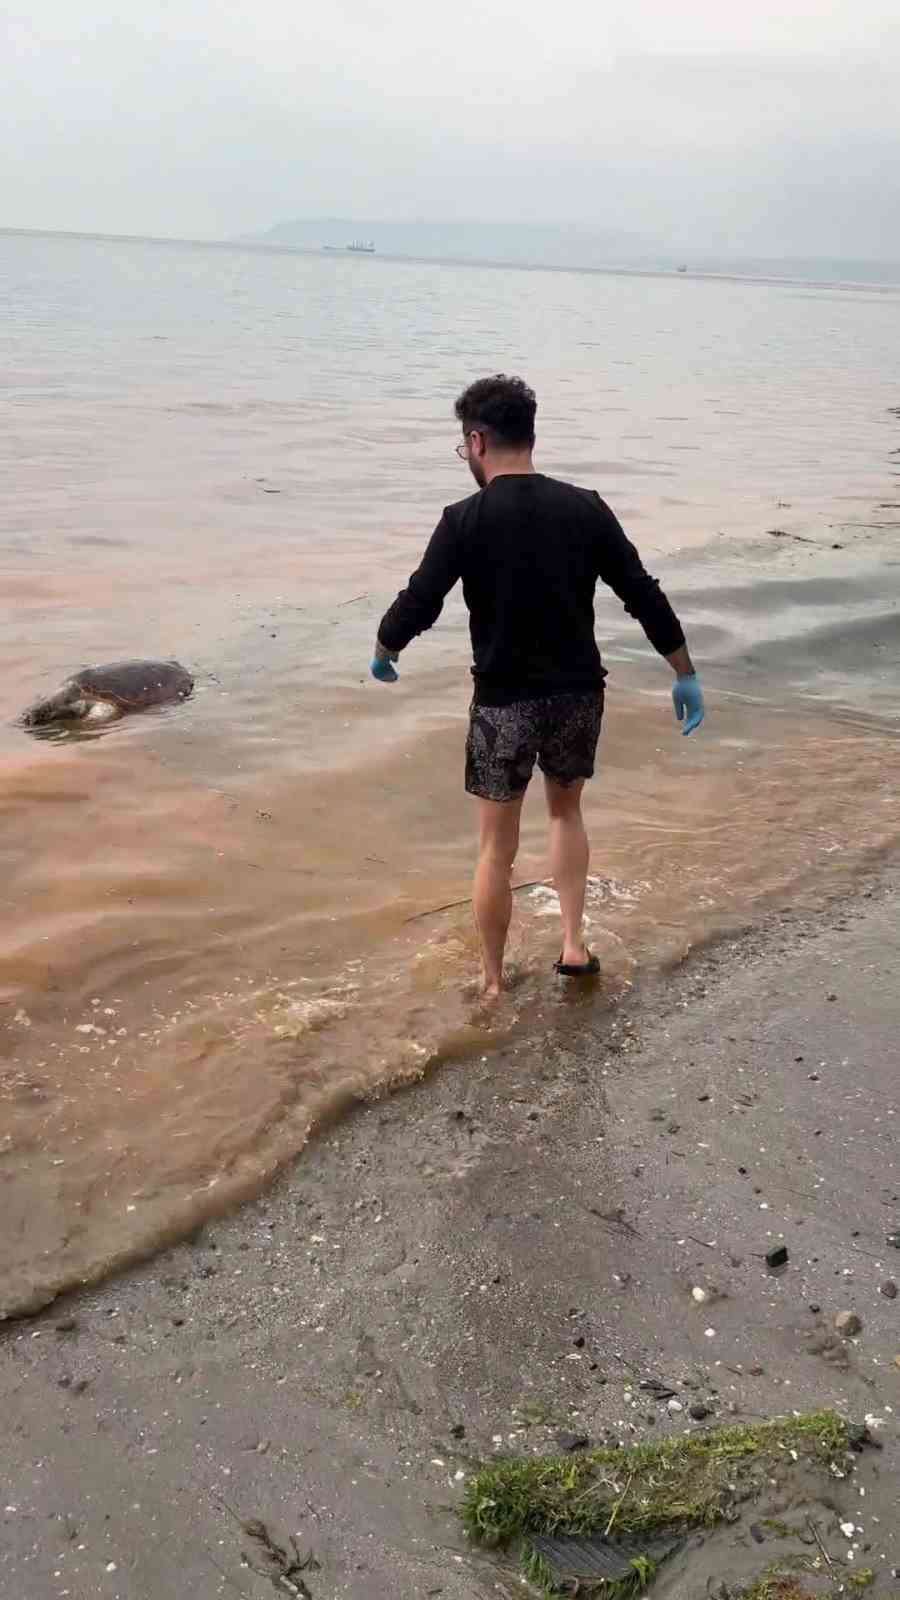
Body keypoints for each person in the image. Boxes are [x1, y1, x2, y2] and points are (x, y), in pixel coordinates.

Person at [371, 374, 704, 999]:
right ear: (530, 434)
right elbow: (642, 592)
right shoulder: (585, 507)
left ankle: (493, 981)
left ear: (476, 441)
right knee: (566, 812)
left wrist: (386, 648)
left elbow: (421, 598)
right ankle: (573, 946)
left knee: (496, 847)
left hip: (503, 702)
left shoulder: (463, 519)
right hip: (579, 693)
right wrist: (683, 671)